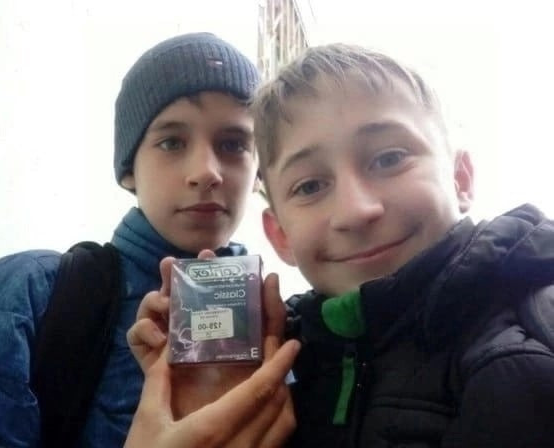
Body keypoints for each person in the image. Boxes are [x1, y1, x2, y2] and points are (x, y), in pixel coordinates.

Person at [129, 42, 554, 447]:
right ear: (280, 235)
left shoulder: (512, 371)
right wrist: (216, 405)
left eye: (389, 158)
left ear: (460, 178)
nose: (355, 211)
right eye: (310, 186)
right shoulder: (297, 356)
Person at [0, 32, 297, 447]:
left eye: (233, 144)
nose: (206, 171)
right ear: (129, 168)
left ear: (258, 170)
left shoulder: (281, 319)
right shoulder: (28, 292)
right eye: (172, 142)